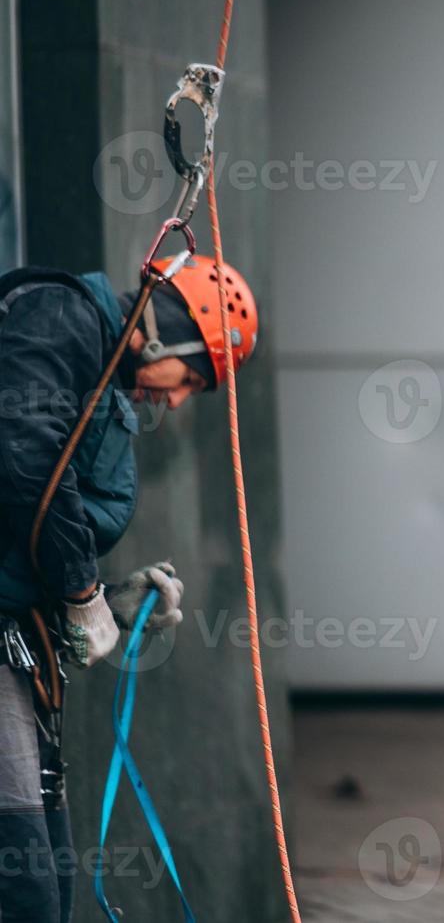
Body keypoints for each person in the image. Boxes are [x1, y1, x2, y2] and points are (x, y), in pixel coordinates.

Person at [0, 254, 257, 921]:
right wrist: (84, 594)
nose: (174, 400)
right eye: (191, 379)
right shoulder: (57, 320)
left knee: (46, 871)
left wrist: (106, 598)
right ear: (169, 332)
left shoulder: (92, 367)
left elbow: (23, 530)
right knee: (23, 884)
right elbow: (27, 462)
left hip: (17, 637)